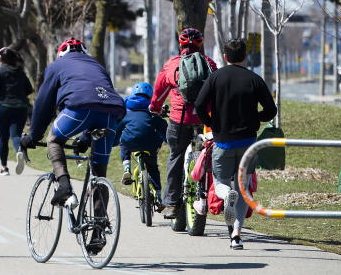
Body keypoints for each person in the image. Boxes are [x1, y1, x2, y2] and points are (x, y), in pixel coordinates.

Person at [21, 38, 126, 209]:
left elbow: (43, 103)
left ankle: (64, 187)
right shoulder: (97, 65)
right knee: (100, 174)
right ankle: (98, 231)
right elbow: (99, 101)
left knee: (54, 139)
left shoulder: (57, 65)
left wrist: (34, 136)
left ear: (61, 53)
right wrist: (85, 138)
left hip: (79, 106)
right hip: (112, 111)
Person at [195, 38, 277, 250]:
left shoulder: (215, 77)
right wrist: (255, 118)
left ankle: (224, 195)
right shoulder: (254, 79)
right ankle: (237, 236)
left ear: (224, 57)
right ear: (245, 56)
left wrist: (211, 123)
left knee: (221, 182)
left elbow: (199, 104)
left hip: (223, 143)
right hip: (248, 144)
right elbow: (271, 110)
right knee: (242, 188)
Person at [149, 27, 218, 219]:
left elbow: (159, 93)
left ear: (180, 44)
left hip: (180, 119)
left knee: (176, 156)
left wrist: (154, 108)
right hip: (206, 119)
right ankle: (207, 196)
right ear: (200, 44)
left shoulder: (172, 64)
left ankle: (171, 203)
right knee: (209, 156)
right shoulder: (210, 63)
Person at [114, 82, 166, 211]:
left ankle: (127, 168)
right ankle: (159, 195)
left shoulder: (126, 111)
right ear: (150, 95)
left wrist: (114, 141)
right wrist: (165, 140)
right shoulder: (153, 111)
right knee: (153, 167)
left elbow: (118, 129)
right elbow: (163, 127)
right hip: (150, 143)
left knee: (123, 141)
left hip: (131, 142)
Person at [0, 46, 33, 176]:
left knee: (3, 138)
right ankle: (19, 150)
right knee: (15, 135)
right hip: (20, 108)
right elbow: (29, 89)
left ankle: (4, 168)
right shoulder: (20, 72)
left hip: (3, 107)